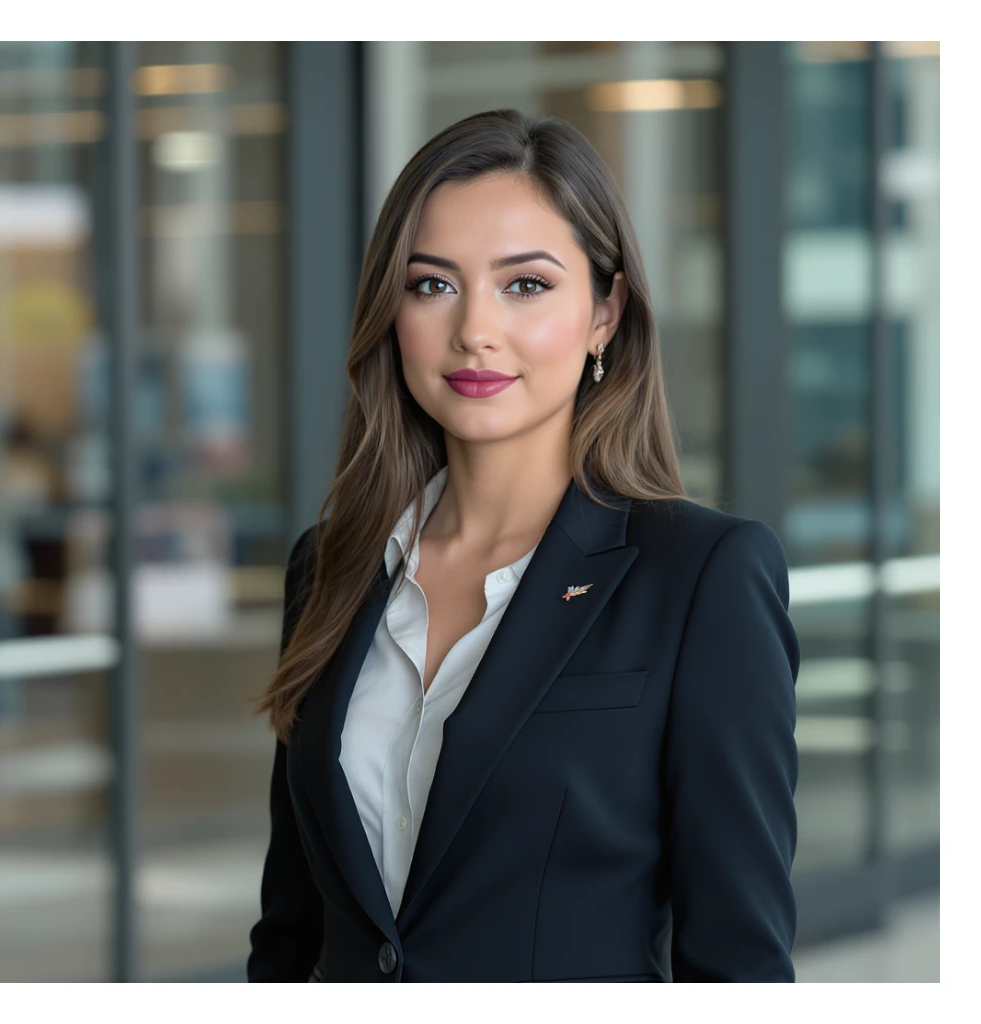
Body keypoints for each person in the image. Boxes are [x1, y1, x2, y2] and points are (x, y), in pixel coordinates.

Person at [246, 108, 800, 983]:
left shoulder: (700, 579)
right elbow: (292, 928)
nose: (474, 330)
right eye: (432, 285)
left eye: (526, 285)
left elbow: (738, 962)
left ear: (605, 314)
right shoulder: (331, 566)